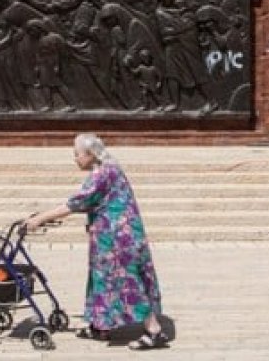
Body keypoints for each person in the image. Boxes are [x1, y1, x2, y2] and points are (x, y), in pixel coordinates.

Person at [23, 133, 168, 350]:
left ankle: (154, 330)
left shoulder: (102, 174)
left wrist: (39, 218)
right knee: (102, 279)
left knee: (126, 281)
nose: (75, 159)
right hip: (113, 235)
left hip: (118, 238)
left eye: (77, 154)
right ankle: (101, 325)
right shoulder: (108, 167)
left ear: (90, 154)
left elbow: (75, 203)